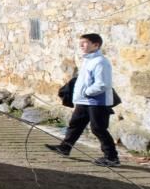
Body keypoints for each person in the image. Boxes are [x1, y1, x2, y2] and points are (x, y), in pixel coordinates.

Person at [45, 33, 120, 166]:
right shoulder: (88, 61)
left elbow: (102, 84)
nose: (81, 45)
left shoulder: (100, 62)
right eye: (81, 43)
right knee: (75, 124)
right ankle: (65, 148)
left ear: (96, 45)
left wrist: (86, 92)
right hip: (84, 101)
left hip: (97, 102)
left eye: (85, 43)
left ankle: (111, 157)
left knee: (98, 128)